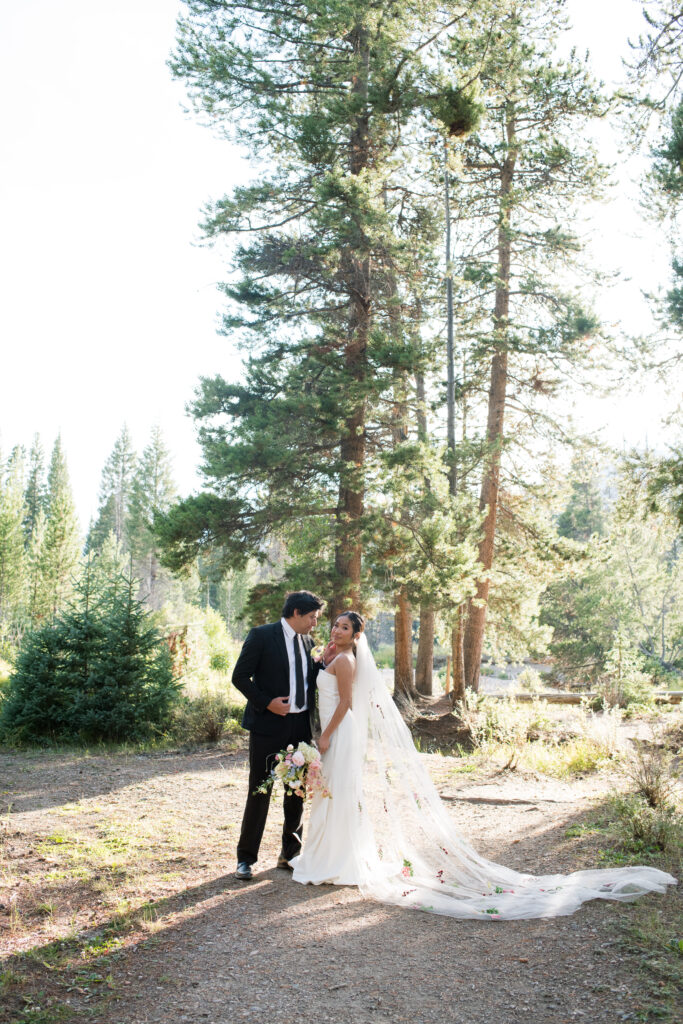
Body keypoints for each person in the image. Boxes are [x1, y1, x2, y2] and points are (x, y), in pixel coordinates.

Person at [291, 611, 677, 920]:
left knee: (338, 792)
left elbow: (345, 703)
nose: (337, 630)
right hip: (334, 731)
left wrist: (325, 737)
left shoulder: (346, 661)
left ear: (356, 635)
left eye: (344, 627)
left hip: (339, 732)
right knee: (333, 792)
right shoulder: (334, 656)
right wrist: (323, 656)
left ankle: (338, 860)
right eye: (335, 625)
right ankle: (330, 855)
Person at [231, 590, 325, 880]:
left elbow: (312, 679)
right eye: (311, 617)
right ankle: (245, 859)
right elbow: (239, 677)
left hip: (300, 728)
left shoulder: (308, 642)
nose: (314, 624)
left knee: (295, 791)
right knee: (260, 790)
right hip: (267, 728)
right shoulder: (261, 636)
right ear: (296, 613)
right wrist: (267, 702)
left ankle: (290, 854)